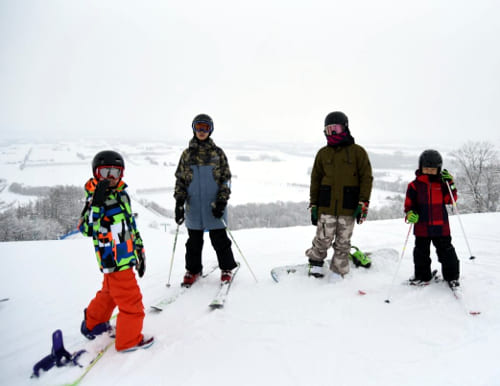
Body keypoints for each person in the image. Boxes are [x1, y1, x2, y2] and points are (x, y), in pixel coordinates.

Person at [78, 150, 154, 352]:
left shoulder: (122, 194)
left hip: (125, 254)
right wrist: (97, 204)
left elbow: (130, 225)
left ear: (122, 174)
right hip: (112, 258)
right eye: (105, 172)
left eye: (115, 172)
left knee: (109, 293)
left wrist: (139, 250)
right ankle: (129, 340)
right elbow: (87, 229)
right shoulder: (95, 198)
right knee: (131, 300)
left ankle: (93, 324)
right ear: (96, 173)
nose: (110, 178)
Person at [305, 111, 373, 279]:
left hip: (348, 206)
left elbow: (366, 178)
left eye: (335, 128)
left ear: (345, 128)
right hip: (326, 204)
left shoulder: (358, 152)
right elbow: (316, 180)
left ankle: (339, 269)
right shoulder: (323, 154)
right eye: (328, 130)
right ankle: (316, 263)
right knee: (322, 238)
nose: (332, 133)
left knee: (343, 242)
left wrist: (363, 203)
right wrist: (314, 204)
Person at [174, 114, 238, 286]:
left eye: (205, 128)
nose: (202, 131)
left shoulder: (217, 154)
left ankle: (226, 268)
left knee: (220, 239)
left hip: (214, 204)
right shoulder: (187, 155)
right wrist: (179, 203)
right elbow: (181, 180)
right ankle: (193, 270)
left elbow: (226, 179)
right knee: (193, 241)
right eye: (199, 127)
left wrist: (222, 201)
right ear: (194, 129)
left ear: (210, 130)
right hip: (193, 205)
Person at [404, 149, 460, 288]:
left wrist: (450, 184)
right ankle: (422, 276)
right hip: (422, 227)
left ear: (438, 169)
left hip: (441, 227)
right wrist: (410, 214)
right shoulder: (414, 185)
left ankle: (451, 277)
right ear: (421, 167)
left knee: (447, 253)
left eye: (432, 169)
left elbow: (450, 200)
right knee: (420, 254)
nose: (429, 171)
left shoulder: (442, 184)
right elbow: (409, 205)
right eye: (426, 168)